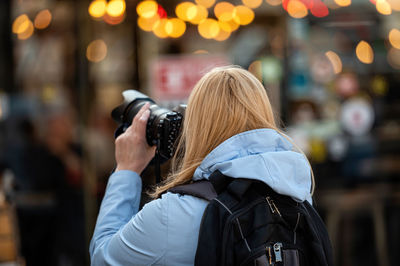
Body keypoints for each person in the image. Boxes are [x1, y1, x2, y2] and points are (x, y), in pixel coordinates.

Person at [89, 66, 314, 265]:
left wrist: (126, 169)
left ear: (196, 125)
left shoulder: (173, 214)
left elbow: (102, 257)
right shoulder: (297, 191)